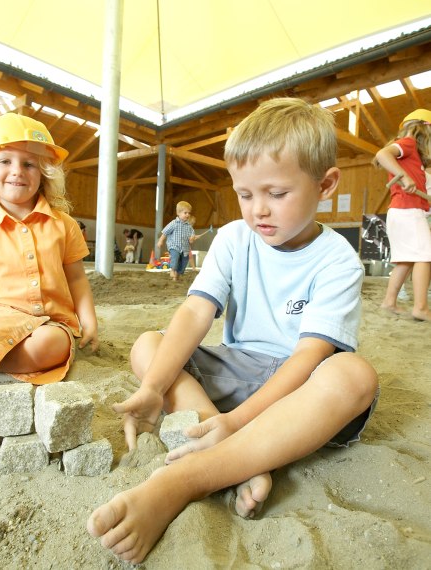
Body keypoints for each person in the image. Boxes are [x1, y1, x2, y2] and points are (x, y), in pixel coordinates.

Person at [87, 98, 378, 564]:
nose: (258, 210)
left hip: (295, 390)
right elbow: (195, 312)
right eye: (245, 194)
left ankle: (191, 477)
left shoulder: (338, 260)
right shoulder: (234, 238)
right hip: (233, 370)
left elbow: (307, 359)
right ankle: (235, 449)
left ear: (325, 185)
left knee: (354, 375)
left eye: (277, 194)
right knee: (149, 346)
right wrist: (153, 388)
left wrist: (239, 420)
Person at [0, 113, 99, 385]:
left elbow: (76, 278)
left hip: (50, 323)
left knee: (53, 344)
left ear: (44, 173)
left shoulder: (65, 225)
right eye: (5, 161)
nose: (17, 170)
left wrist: (89, 321)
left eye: (29, 164)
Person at [373, 108, 431, 321]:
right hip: (407, 210)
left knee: (406, 260)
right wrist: (404, 177)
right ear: (424, 131)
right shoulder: (409, 144)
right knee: (426, 256)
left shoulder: (414, 156)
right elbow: (381, 154)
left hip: (401, 210)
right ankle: (421, 308)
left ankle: (389, 302)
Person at [157, 201, 195, 281]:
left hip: (185, 248)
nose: (187, 215)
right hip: (174, 246)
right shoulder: (174, 223)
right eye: (185, 213)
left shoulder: (189, 226)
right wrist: (160, 241)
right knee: (175, 257)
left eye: (189, 213)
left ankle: (177, 275)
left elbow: (192, 237)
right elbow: (165, 232)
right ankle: (172, 270)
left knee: (183, 262)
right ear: (178, 213)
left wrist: (192, 239)